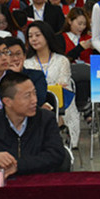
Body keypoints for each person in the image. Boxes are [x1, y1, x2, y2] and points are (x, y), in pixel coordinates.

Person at [24, 21, 79, 149]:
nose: (33, 39)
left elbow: (62, 85)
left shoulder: (62, 60)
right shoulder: (26, 63)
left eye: (37, 35)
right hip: (36, 103)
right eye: (30, 36)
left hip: (61, 103)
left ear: (47, 35)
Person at [4, 36, 48, 109]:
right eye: (10, 55)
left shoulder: (37, 76)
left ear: (24, 56)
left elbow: (38, 101)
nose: (15, 58)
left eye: (18, 54)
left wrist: (18, 75)